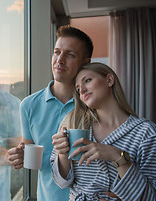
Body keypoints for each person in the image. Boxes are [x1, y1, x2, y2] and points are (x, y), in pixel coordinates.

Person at [50, 62, 156, 200]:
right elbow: (61, 182)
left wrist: (118, 157)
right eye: (77, 89)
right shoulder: (74, 125)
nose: (81, 90)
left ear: (109, 80)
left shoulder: (146, 133)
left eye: (87, 80)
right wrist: (62, 155)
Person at [8, 25, 93, 200]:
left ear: (85, 63)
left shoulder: (93, 104)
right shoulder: (28, 105)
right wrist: (20, 156)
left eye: (70, 54)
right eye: (57, 52)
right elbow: (31, 152)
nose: (59, 60)